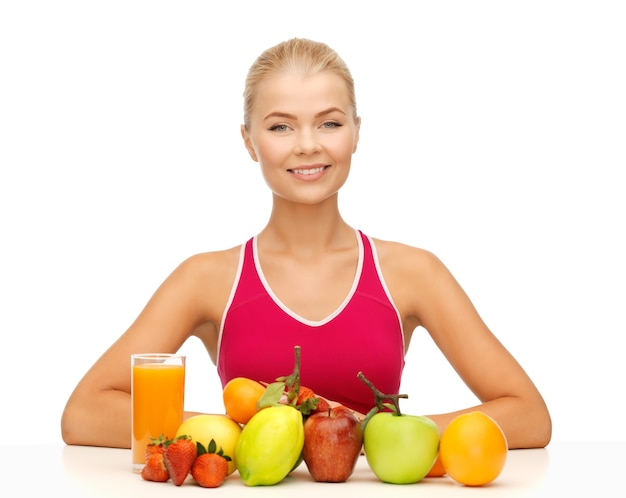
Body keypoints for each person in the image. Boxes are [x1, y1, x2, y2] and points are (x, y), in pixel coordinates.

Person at [61, 38, 551, 450]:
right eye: (280, 126)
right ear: (249, 141)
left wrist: (370, 433)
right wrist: (237, 434)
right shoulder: (205, 279)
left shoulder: (414, 273)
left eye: (330, 122)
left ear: (356, 132)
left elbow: (529, 416)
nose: (307, 144)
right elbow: (84, 413)